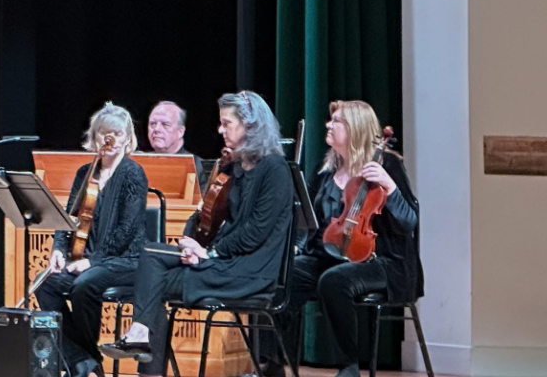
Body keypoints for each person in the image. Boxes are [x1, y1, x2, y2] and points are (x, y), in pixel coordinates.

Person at [103, 91, 293, 377]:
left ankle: (147, 362)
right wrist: (195, 242)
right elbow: (211, 221)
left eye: (227, 123)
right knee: (150, 255)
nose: (221, 130)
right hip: (227, 261)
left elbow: (255, 232)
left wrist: (212, 252)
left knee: (153, 282)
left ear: (250, 125)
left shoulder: (274, 169)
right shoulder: (238, 168)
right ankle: (141, 335)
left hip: (251, 272)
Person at [273, 100, 420, 377]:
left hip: (381, 260)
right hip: (328, 255)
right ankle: (273, 359)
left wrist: (389, 185)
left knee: (335, 280)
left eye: (337, 121)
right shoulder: (326, 168)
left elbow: (409, 222)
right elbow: (310, 223)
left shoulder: (386, 165)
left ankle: (349, 365)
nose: (328, 125)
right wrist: (297, 249)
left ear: (356, 129)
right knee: (283, 273)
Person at [32, 104, 148, 377]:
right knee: (44, 283)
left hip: (124, 261)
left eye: (117, 134)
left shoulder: (133, 174)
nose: (109, 140)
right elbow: (68, 217)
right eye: (103, 134)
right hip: (87, 260)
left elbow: (126, 232)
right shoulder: (86, 173)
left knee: (84, 285)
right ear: (93, 137)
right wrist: (58, 249)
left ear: (127, 137)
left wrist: (91, 261)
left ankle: (83, 363)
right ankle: (84, 359)